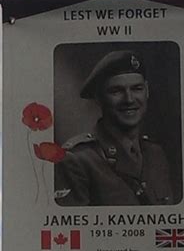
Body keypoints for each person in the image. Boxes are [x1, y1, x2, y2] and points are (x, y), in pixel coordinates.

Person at [55, 50, 174, 206]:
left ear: (147, 91)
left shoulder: (155, 154)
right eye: (116, 91)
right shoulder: (77, 160)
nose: (129, 99)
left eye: (137, 88)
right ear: (98, 97)